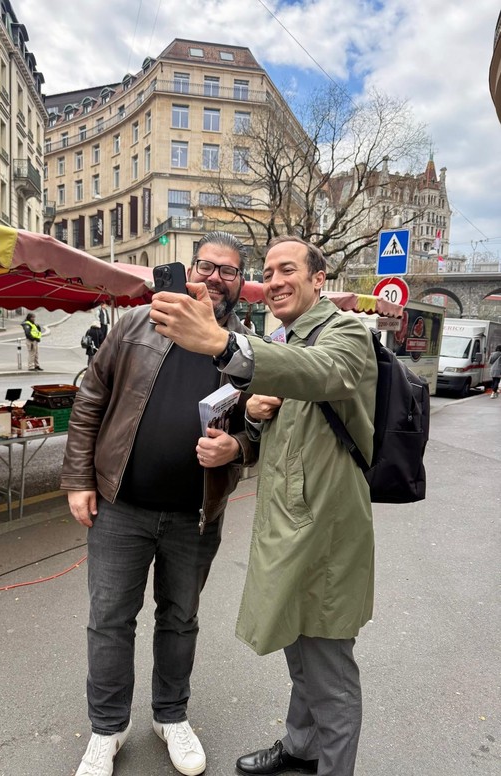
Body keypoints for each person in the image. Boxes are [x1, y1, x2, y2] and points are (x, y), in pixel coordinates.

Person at [150, 235, 378, 776]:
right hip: (286, 526)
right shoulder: (284, 337)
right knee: (297, 646)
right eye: (269, 271)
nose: (274, 280)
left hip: (325, 530)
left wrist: (224, 346)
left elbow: (326, 374)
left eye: (288, 269)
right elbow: (284, 436)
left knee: (329, 670)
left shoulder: (344, 330)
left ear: (319, 280)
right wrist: (251, 420)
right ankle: (301, 745)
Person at [61, 231, 257, 776]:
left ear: (242, 284)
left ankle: (171, 716)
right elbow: (90, 402)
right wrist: (79, 479)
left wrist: (237, 447)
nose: (216, 277)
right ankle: (107, 729)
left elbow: (262, 429)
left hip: (195, 516)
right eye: (207, 266)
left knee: (180, 617)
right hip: (121, 507)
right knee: (109, 620)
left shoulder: (245, 350)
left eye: (230, 271)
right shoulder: (135, 325)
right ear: (189, 269)